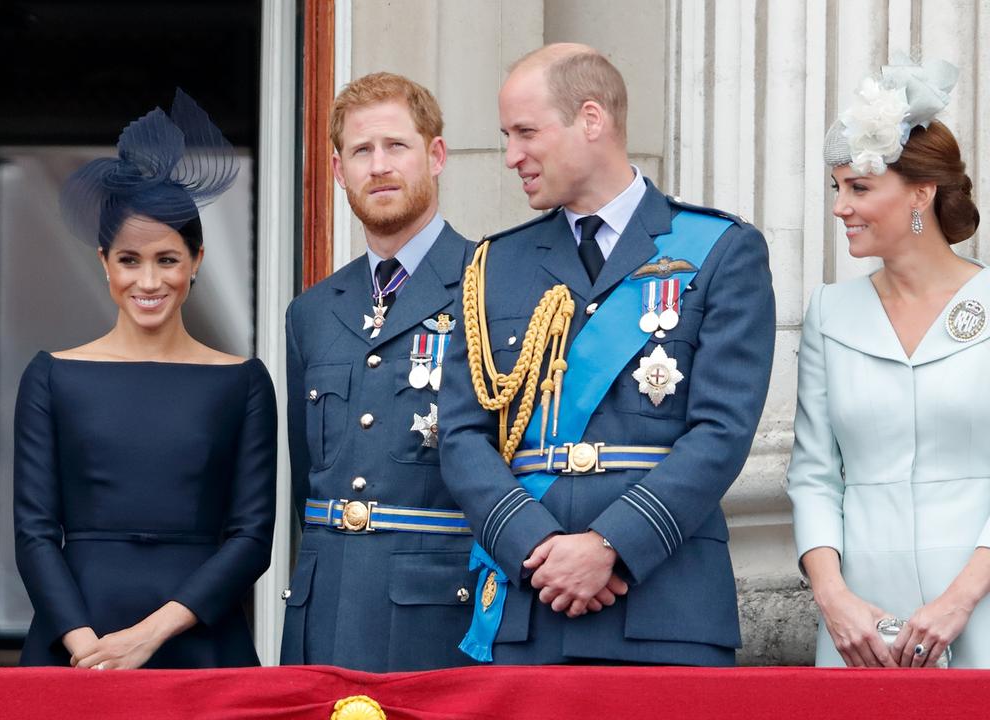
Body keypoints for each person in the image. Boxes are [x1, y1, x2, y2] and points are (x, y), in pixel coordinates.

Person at [439, 44, 775, 665]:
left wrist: (610, 545)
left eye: (526, 132)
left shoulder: (721, 250)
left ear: (590, 120)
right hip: (528, 601)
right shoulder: (494, 266)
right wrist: (535, 545)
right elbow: (461, 435)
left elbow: (722, 431)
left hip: (666, 605)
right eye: (506, 135)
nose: (512, 155)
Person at [14, 90, 276, 670]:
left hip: (200, 640)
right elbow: (33, 534)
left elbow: (252, 538)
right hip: (76, 643)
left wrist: (149, 636)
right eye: (130, 260)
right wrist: (89, 649)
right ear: (104, 261)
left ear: (197, 260)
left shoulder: (244, 382)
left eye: (167, 259)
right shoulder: (51, 377)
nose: (148, 280)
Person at [788, 56, 988, 668]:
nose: (840, 207)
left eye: (860, 188)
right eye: (837, 188)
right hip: (860, 630)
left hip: (980, 609)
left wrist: (960, 600)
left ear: (922, 193)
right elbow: (814, 475)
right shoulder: (830, 312)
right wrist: (835, 600)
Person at [279, 72, 477, 671]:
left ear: (435, 155)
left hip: (438, 617)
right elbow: (306, 480)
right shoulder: (312, 311)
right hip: (325, 610)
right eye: (361, 151)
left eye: (397, 146)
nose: (379, 165)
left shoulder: (489, 287)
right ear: (339, 171)